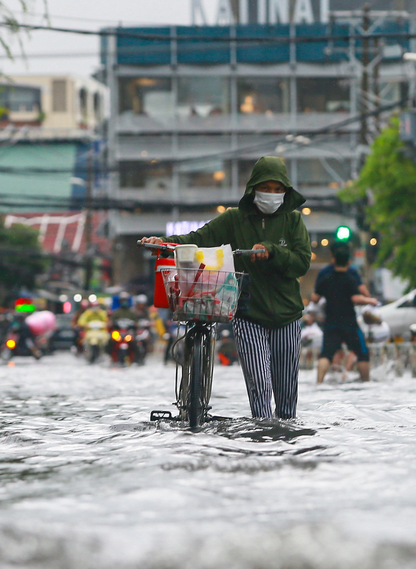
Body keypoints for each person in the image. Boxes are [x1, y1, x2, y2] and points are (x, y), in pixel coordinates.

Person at [141, 155, 311, 419]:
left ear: (286, 192)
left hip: (288, 315)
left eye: (278, 190)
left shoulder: (294, 220)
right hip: (247, 314)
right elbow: (198, 238)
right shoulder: (234, 219)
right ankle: (262, 438)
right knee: (260, 389)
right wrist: (163, 242)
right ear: (253, 188)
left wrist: (273, 251)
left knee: (287, 398)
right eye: (266, 188)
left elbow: (302, 263)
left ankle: (285, 443)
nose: (272, 195)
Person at [311, 243, 379, 383]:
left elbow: (315, 299)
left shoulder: (325, 277)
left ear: (333, 259)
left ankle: (319, 382)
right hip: (349, 323)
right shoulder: (350, 278)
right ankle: (366, 383)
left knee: (326, 354)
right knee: (362, 354)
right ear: (349, 261)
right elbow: (356, 298)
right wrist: (370, 300)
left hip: (330, 323)